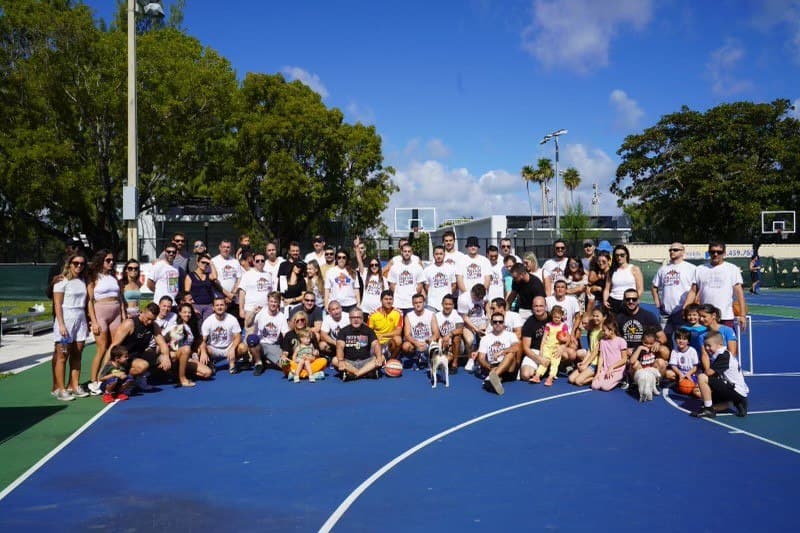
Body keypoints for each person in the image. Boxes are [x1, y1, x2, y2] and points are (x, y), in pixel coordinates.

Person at [105, 302, 172, 391]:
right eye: (148, 319)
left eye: (153, 320)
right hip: (124, 358)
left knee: (171, 356)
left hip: (139, 355)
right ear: (142, 312)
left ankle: (138, 377)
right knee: (143, 365)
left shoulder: (153, 325)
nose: (149, 322)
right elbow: (113, 346)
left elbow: (162, 343)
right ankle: (126, 379)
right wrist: (105, 370)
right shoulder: (130, 323)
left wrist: (166, 356)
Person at [51, 253, 90, 401]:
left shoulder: (83, 280)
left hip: (80, 320)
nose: (79, 266)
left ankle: (74, 386)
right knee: (62, 355)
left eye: (82, 263)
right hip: (66, 320)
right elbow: (57, 305)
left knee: (77, 354)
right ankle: (61, 390)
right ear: (69, 264)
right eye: (76, 263)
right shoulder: (61, 281)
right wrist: (61, 325)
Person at [86, 250, 124, 395]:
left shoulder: (114, 277)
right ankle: (93, 381)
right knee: (102, 348)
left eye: (112, 260)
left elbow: (120, 298)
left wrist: (123, 315)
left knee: (114, 348)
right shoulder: (94, 277)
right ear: (101, 261)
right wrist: (94, 321)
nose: (111, 262)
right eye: (108, 260)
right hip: (100, 313)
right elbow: (90, 301)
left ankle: (108, 377)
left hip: (116, 313)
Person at [685, 242, 747, 329]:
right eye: (713, 252)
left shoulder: (732, 269)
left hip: (725, 316)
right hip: (705, 316)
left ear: (724, 253)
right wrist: (685, 309)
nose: (715, 254)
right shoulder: (699, 269)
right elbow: (693, 291)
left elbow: (739, 293)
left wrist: (742, 315)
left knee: (727, 338)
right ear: (709, 252)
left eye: (719, 252)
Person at [690, 331, 749, 418]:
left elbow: (709, 373)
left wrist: (698, 382)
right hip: (734, 389)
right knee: (707, 400)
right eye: (705, 345)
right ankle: (734, 402)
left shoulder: (723, 356)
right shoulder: (721, 354)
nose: (706, 348)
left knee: (702, 377)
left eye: (709, 345)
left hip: (735, 390)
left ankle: (709, 409)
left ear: (719, 344)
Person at [651, 242, 696, 338]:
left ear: (682, 252)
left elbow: (696, 289)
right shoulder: (663, 269)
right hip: (665, 312)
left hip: (682, 311)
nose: (672, 252)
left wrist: (688, 307)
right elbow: (654, 286)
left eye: (675, 250)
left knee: (682, 339)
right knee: (664, 339)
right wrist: (657, 302)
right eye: (670, 250)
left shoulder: (691, 268)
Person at [475, 312, 519, 396]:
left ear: (504, 323)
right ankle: (493, 381)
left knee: (510, 353)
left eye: (500, 322)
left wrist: (502, 352)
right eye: (495, 322)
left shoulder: (511, 335)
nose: (498, 324)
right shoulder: (485, 338)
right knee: (495, 371)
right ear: (491, 323)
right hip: (493, 366)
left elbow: (516, 347)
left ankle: (491, 378)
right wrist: (490, 367)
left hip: (509, 367)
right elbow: (481, 358)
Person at [246, 292, 290, 376]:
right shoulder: (260, 312)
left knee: (285, 365)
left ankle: (265, 359)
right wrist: (253, 313)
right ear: (268, 302)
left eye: (275, 302)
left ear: (279, 303)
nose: (273, 304)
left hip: (273, 345)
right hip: (259, 344)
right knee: (251, 339)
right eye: (271, 301)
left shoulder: (281, 316)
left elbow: (285, 335)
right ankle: (259, 363)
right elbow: (248, 324)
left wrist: (285, 352)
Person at [334, 308, 384, 381]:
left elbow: (376, 344)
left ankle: (356, 374)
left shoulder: (369, 330)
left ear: (362, 319)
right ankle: (366, 373)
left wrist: (379, 357)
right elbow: (340, 347)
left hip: (366, 362)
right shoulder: (343, 331)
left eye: (358, 317)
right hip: (349, 362)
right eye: (353, 317)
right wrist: (341, 361)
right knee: (335, 360)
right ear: (349, 319)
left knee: (382, 357)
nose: (356, 320)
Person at [200, 296, 247, 374]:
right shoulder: (208, 321)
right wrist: (203, 352)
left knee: (243, 347)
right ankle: (210, 363)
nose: (219, 307)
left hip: (229, 347)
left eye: (222, 305)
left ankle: (232, 363)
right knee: (201, 349)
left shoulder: (232, 319)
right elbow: (203, 340)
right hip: (214, 348)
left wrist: (232, 348)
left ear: (225, 307)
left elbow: (237, 336)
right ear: (213, 308)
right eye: (217, 305)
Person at [530, 305, 570, 386]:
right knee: (544, 362)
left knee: (555, 363)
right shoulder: (548, 325)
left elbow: (567, 338)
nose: (556, 319)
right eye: (555, 317)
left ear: (562, 316)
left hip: (556, 348)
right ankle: (537, 376)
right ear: (552, 316)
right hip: (547, 347)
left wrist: (562, 344)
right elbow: (544, 338)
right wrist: (541, 349)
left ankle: (550, 377)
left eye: (558, 317)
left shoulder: (563, 326)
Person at [282, 310, 327, 381]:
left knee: (323, 361)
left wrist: (315, 354)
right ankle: (311, 374)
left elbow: (317, 351)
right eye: (297, 320)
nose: (300, 322)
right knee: (283, 363)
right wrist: (284, 356)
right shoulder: (289, 335)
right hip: (296, 362)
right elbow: (285, 351)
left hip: (309, 362)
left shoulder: (311, 334)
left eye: (302, 320)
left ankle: (297, 374)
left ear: (306, 321)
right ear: (294, 322)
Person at [568, 307, 606, 386]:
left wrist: (586, 364)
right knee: (571, 379)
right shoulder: (593, 330)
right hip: (590, 360)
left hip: (596, 363)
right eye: (594, 316)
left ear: (604, 317)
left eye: (597, 316)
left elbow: (595, 351)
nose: (595, 318)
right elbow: (590, 350)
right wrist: (583, 362)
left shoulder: (604, 332)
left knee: (578, 381)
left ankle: (597, 376)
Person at [401, 293, 440, 369]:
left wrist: (427, 342)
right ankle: (416, 358)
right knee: (405, 346)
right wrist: (416, 343)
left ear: (424, 303)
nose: (418, 304)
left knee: (437, 342)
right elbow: (407, 334)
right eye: (416, 303)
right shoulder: (408, 316)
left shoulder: (431, 314)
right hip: (415, 343)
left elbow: (436, 333)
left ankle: (428, 357)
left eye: (420, 302)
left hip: (428, 342)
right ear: (413, 304)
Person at [603, 244, 643, 314]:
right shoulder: (611, 271)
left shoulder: (634, 269)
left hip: (629, 301)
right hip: (613, 302)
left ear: (626, 255)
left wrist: (635, 300)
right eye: (617, 255)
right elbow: (607, 289)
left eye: (622, 255)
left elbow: (640, 288)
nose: (619, 257)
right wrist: (605, 300)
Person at [591, 319, 629, 392]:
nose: (602, 332)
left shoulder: (621, 341)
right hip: (605, 370)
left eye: (604, 330)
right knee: (594, 386)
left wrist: (612, 367)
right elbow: (601, 357)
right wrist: (598, 373)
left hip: (617, 370)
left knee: (605, 387)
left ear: (611, 331)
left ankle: (623, 378)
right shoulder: (602, 341)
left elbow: (624, 359)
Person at [239, 251, 278, 319]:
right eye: (257, 261)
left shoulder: (268, 275)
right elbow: (242, 293)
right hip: (250, 310)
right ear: (254, 262)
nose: (260, 262)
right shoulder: (247, 275)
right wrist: (241, 309)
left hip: (266, 311)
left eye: (262, 261)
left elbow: (271, 293)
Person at [519, 296, 551, 381]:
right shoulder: (529, 323)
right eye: (536, 306)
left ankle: (562, 366)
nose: (538, 309)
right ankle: (541, 370)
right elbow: (526, 348)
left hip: (551, 349)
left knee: (570, 353)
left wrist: (561, 348)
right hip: (535, 351)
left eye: (541, 306)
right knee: (525, 375)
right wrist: (539, 359)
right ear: (532, 307)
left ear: (545, 306)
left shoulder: (552, 318)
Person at [388, 242, 424, 313]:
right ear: (401, 252)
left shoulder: (417, 267)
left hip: (412, 304)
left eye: (409, 251)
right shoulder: (395, 267)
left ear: (411, 253)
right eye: (405, 251)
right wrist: (399, 294)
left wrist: (413, 295)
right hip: (398, 304)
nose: (407, 253)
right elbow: (392, 285)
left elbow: (420, 285)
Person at [211, 240, 243, 319]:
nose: (226, 249)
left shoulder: (235, 262)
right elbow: (214, 281)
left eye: (228, 247)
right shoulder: (214, 261)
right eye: (224, 247)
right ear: (220, 248)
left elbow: (239, 279)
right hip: (219, 299)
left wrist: (232, 294)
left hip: (233, 300)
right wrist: (227, 295)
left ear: (231, 249)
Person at [460, 284, 489, 371]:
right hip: (468, 322)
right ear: (472, 293)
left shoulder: (484, 294)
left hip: (481, 320)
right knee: (470, 340)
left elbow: (487, 303)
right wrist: (475, 329)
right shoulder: (463, 299)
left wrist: (489, 314)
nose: (480, 300)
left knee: (485, 338)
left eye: (481, 298)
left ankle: (482, 359)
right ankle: (470, 358)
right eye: (478, 298)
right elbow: (464, 317)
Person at [367, 290, 403, 359]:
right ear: (381, 300)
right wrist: (375, 339)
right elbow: (368, 332)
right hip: (376, 341)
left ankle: (391, 360)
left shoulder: (397, 313)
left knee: (398, 339)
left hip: (389, 341)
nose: (388, 301)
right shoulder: (373, 314)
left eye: (390, 299)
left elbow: (398, 332)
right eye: (386, 299)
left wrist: (383, 335)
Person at [423, 245, 457, 312]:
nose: (439, 256)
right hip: (432, 304)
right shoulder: (427, 270)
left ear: (444, 255)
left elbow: (454, 285)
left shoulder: (451, 268)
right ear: (433, 255)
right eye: (436, 254)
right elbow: (426, 287)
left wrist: (447, 293)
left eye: (441, 254)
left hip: (447, 304)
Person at [436, 294, 464, 374]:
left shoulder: (457, 315)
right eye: (446, 304)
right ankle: (447, 358)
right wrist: (442, 340)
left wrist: (449, 335)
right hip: (443, 343)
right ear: (442, 304)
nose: (447, 306)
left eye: (450, 304)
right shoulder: (436, 316)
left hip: (456, 344)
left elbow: (460, 330)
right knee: (443, 363)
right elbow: (435, 331)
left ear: (453, 305)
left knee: (457, 337)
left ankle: (455, 363)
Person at [184, 253, 217, 322]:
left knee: (207, 325)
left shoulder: (208, 275)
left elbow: (215, 277)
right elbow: (187, 294)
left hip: (209, 306)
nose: (205, 264)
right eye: (203, 262)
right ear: (198, 262)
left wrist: (211, 263)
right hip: (196, 305)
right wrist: (192, 308)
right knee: (197, 325)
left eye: (207, 263)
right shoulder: (190, 276)